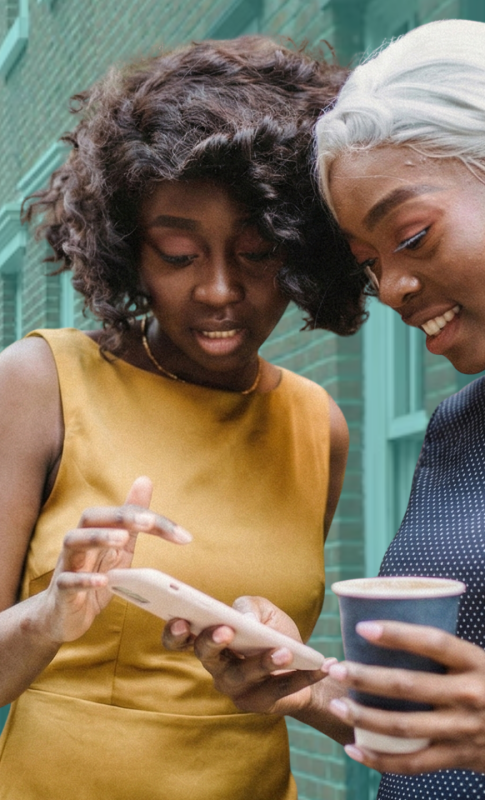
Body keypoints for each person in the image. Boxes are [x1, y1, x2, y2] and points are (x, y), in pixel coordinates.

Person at [0, 37, 361, 800]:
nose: (220, 290)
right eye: (179, 254)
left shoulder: (317, 424)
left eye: (257, 253)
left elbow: (292, 688)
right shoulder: (43, 382)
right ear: (128, 251)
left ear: (303, 249)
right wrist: (49, 617)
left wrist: (279, 664)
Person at [163, 18, 485, 800]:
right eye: (370, 263)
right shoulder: (457, 431)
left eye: (412, 234)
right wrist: (308, 687)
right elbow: (431, 722)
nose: (394, 289)